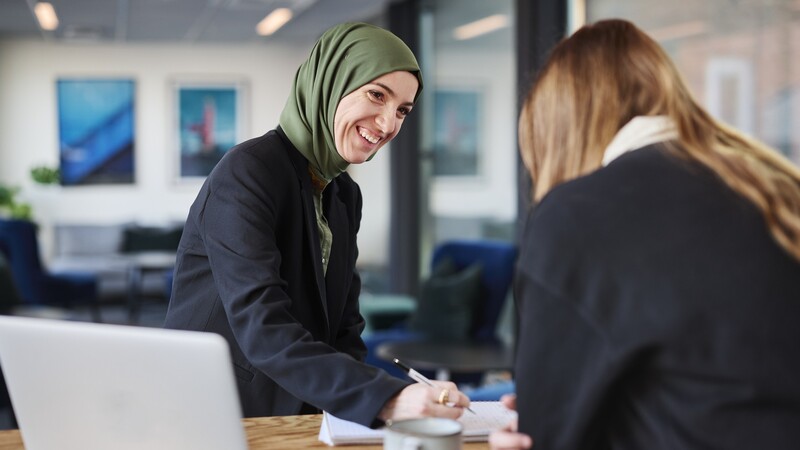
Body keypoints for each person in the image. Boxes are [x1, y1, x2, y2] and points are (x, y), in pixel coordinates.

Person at [491, 18, 800, 449]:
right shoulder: (775, 185)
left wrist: (535, 423)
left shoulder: (579, 213)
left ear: (559, 133)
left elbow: (545, 438)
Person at [163, 22, 469, 427]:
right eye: (376, 95)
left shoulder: (342, 193)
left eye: (402, 111)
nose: (387, 123)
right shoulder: (247, 173)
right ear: (330, 83)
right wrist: (385, 398)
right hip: (216, 410)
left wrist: (364, 414)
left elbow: (344, 328)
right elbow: (263, 326)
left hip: (298, 410)